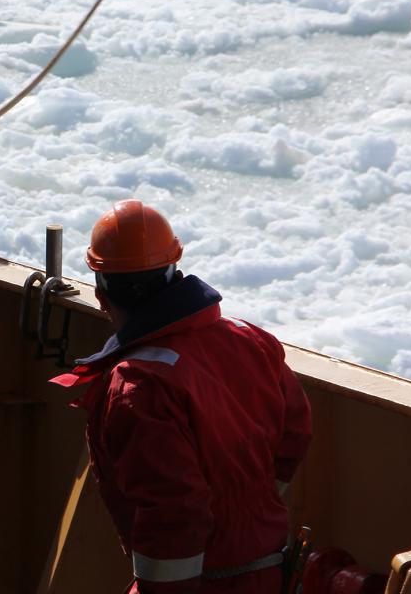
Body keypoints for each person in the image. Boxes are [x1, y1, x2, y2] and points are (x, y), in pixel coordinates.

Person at [51, 200, 313, 593]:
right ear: (175, 271)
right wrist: (243, 510)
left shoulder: (138, 385)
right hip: (272, 571)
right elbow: (295, 431)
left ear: (101, 293)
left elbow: (175, 512)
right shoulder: (250, 340)